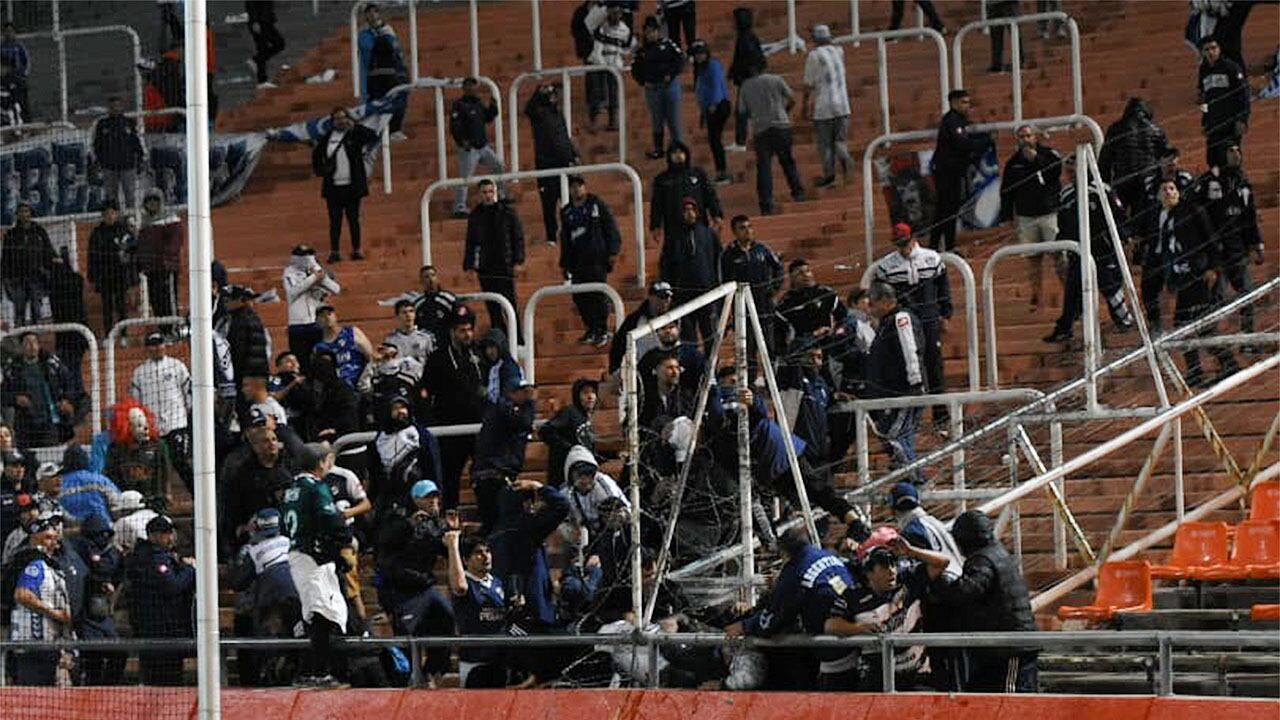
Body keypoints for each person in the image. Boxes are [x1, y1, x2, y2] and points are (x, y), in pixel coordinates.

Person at [726, 527, 858, 691]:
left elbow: (773, 618)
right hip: (852, 634)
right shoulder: (828, 556)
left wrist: (745, 626)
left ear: (784, 552)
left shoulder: (796, 571)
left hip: (834, 651)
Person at [928, 510, 1039, 692]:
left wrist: (939, 580)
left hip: (1011, 648)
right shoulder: (996, 553)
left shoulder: (983, 560)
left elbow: (965, 591)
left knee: (1010, 700)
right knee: (980, 695)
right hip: (1002, 647)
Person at [1144, 180, 1238, 386]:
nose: (1168, 192)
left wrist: (1213, 267)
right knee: (1184, 325)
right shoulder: (1161, 218)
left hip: (1200, 274)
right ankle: (1199, 370)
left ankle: (1226, 363)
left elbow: (1210, 238)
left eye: (1172, 188)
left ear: (1178, 192)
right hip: (1183, 277)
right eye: (1164, 189)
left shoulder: (1192, 210)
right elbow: (1165, 251)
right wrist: (1170, 279)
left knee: (1201, 323)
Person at [1042, 155, 1135, 343]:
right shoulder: (1066, 194)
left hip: (1103, 250)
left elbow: (1118, 217)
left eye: (1073, 169)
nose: (1070, 173)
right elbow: (1063, 225)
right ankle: (1065, 328)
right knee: (1072, 290)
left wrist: (1125, 237)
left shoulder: (1101, 189)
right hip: (1078, 251)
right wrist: (1060, 246)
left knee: (1110, 287)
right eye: (1068, 170)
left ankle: (1125, 320)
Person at [281, 442, 349, 688]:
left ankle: (315, 670)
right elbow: (330, 518)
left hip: (300, 553)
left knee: (323, 611)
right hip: (312, 556)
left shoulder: (291, 489)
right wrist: (344, 537)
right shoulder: (315, 487)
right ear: (321, 462)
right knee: (320, 613)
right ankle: (317, 672)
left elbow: (284, 525)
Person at [873, 223, 952, 433]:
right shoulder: (887, 266)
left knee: (934, 366)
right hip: (903, 321)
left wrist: (945, 314)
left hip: (928, 319)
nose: (903, 248)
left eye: (905, 243)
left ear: (913, 238)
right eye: (899, 244)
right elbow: (882, 295)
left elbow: (943, 288)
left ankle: (940, 416)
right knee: (906, 367)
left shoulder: (932, 258)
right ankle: (908, 419)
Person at [375, 479, 455, 685]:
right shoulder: (397, 518)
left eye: (435, 496)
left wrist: (453, 533)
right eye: (428, 497)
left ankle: (432, 670)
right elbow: (384, 543)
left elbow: (447, 549)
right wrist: (409, 525)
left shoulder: (437, 523)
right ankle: (407, 679)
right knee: (407, 634)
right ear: (416, 499)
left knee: (446, 617)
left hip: (424, 586)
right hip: (399, 590)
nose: (433, 501)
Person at [420, 307, 486, 509]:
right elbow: (425, 392)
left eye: (469, 329)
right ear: (452, 331)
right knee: (450, 478)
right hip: (450, 429)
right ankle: (450, 515)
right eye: (461, 330)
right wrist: (432, 422)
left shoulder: (481, 353)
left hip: (479, 427)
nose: (467, 334)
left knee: (484, 475)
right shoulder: (438, 358)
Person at [1199, 143, 1264, 338]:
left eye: (1238, 150)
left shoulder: (1243, 181)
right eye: (1231, 151)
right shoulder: (1208, 181)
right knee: (1217, 296)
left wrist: (1257, 244)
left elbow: (1250, 216)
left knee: (1247, 295)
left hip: (1238, 250)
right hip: (1217, 252)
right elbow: (1200, 214)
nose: (1236, 154)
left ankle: (1248, 339)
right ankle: (1210, 337)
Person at [864, 282, 926, 482]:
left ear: (885, 300)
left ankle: (915, 479)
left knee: (894, 435)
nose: (870, 308)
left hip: (904, 391)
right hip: (891, 393)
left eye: (872, 303)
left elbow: (910, 349)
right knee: (897, 437)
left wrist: (915, 383)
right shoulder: (885, 324)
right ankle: (910, 480)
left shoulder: (900, 319)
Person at [125, 514, 195, 685]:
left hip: (160, 628)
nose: (170, 538)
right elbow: (173, 585)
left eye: (170, 533)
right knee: (165, 680)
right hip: (160, 629)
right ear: (153, 535)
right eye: (165, 534)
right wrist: (189, 569)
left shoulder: (154, 555)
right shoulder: (152, 557)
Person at [1000, 125, 1063, 310]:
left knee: (1059, 256)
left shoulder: (1049, 155)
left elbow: (1055, 172)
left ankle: (1069, 293)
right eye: (1021, 137)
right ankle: (1036, 296)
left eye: (1028, 136)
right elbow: (1007, 192)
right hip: (1026, 217)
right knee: (1032, 259)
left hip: (1050, 213)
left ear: (1035, 137)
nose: (1025, 140)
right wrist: (1007, 216)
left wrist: (1036, 160)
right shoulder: (1013, 163)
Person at [311, 107, 379, 262]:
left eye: (343, 117)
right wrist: (321, 171)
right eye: (337, 118)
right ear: (332, 121)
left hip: (352, 186)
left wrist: (355, 127)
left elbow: (373, 136)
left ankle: (357, 249)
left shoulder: (355, 135)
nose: (340, 121)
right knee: (335, 221)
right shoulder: (327, 138)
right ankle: (335, 251)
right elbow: (316, 155)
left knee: (353, 219)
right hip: (333, 188)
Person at [560, 175, 622, 347]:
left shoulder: (596, 204)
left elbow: (610, 227)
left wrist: (612, 251)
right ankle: (591, 328)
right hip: (578, 262)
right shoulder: (566, 212)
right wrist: (565, 263)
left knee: (597, 295)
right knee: (579, 296)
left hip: (596, 259)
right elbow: (565, 239)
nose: (576, 189)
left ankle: (602, 329)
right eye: (573, 186)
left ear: (585, 187)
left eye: (579, 185)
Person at [7, 517, 69, 686]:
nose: (54, 542)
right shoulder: (34, 563)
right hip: (31, 641)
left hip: (48, 641)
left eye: (55, 538)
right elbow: (22, 595)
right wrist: (55, 613)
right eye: (48, 538)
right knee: (32, 691)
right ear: (35, 538)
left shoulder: (53, 565)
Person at [471, 379, 537, 535]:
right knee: (499, 526)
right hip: (494, 475)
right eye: (524, 392)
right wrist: (530, 404)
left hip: (491, 474)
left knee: (495, 525)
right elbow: (524, 422)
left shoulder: (500, 410)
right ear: (512, 393)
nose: (528, 396)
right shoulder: (504, 411)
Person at [738, 64, 805, 214]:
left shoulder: (745, 86)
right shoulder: (776, 79)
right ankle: (798, 192)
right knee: (787, 162)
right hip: (781, 125)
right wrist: (784, 111)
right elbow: (792, 98)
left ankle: (766, 203)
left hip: (761, 129)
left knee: (764, 168)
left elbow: (742, 111)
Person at [2, 332, 88, 447]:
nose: (32, 346)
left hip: (50, 422)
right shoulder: (13, 369)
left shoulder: (52, 364)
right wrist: (15, 399)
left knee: (51, 452)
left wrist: (66, 399)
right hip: (25, 426)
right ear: (21, 347)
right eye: (27, 342)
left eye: (34, 342)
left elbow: (70, 383)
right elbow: (3, 395)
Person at [69, 511, 126, 685]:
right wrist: (98, 581)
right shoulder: (78, 547)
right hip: (83, 612)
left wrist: (109, 586)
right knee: (92, 657)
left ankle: (109, 687)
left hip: (102, 611)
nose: (102, 538)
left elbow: (116, 574)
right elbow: (95, 570)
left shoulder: (112, 552)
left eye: (105, 534)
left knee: (119, 652)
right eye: (98, 534)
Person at [930, 90, 990, 252]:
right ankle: (940, 246)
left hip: (954, 171)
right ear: (954, 103)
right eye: (964, 102)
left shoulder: (961, 121)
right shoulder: (951, 121)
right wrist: (985, 141)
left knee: (948, 210)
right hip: (946, 172)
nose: (967, 106)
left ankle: (944, 245)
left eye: (968, 102)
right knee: (945, 209)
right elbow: (962, 144)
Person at [464, 178, 525, 337]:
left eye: (491, 192)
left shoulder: (507, 212)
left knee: (510, 304)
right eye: (484, 192)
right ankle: (500, 339)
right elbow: (471, 242)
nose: (488, 195)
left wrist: (518, 261)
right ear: (479, 194)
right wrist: (469, 266)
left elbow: (517, 237)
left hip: (505, 265)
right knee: (492, 307)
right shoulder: (475, 216)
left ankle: (518, 339)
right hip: (485, 267)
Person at [445, 530, 507, 688]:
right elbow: (459, 587)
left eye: (488, 551)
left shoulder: (497, 582)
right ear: (466, 560)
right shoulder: (465, 582)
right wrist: (453, 545)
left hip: (500, 660)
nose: (485, 556)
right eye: (478, 553)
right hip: (474, 661)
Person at [719, 214, 784, 363]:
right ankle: (750, 377)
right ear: (734, 232)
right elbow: (725, 282)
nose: (747, 231)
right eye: (742, 228)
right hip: (743, 309)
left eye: (749, 227)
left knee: (769, 348)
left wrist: (774, 288)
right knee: (748, 351)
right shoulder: (728, 255)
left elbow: (778, 268)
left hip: (765, 307)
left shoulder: (762, 249)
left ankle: (772, 376)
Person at [658, 198, 721, 352]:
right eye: (685, 210)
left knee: (710, 334)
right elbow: (666, 266)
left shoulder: (708, 234)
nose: (689, 213)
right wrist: (670, 291)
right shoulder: (673, 238)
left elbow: (718, 260)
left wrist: (717, 286)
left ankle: (712, 364)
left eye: (692, 209)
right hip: (683, 294)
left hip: (707, 292)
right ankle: (692, 364)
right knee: (688, 336)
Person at [129, 332, 192, 486]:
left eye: (160, 344)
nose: (157, 348)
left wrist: (190, 414)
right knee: (153, 467)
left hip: (176, 423)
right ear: (147, 349)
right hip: (152, 428)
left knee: (181, 462)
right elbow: (136, 401)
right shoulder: (139, 372)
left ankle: (197, 495)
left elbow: (188, 393)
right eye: (153, 345)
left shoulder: (177, 366)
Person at [524, 84, 579, 245]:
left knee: (569, 200)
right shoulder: (538, 114)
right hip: (546, 165)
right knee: (549, 203)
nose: (555, 98)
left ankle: (571, 233)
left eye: (555, 95)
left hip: (565, 163)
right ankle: (551, 237)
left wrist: (574, 155)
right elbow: (528, 109)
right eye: (551, 95)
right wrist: (537, 92)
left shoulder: (558, 114)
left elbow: (564, 137)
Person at [1097, 98, 1171, 216]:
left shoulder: (1116, 129)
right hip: (1148, 180)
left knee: (1118, 216)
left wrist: (1104, 183)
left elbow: (1105, 160)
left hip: (1123, 179)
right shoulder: (1156, 130)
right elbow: (1167, 156)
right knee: (1145, 216)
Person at [649, 141, 724, 247]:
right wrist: (655, 226)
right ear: (669, 156)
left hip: (699, 223)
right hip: (673, 226)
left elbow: (710, 195)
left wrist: (716, 214)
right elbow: (657, 204)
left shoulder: (698, 174)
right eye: (674, 153)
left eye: (681, 152)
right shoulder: (662, 179)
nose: (678, 155)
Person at [803, 25, 852, 188]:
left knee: (825, 145)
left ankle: (829, 175)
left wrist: (805, 105)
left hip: (823, 107)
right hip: (843, 105)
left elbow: (808, 84)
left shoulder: (814, 56)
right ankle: (844, 156)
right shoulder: (839, 52)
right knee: (840, 140)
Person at [450, 77, 505, 217]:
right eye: (469, 87)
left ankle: (501, 194)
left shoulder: (478, 103)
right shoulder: (459, 105)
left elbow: (488, 118)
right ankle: (459, 206)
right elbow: (454, 126)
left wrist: (493, 107)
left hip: (483, 146)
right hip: (469, 148)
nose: (472, 90)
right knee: (465, 177)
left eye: (474, 87)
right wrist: (462, 141)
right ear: (464, 88)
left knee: (498, 166)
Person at [632, 16, 685, 159]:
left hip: (669, 86)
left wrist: (671, 74)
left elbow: (680, 60)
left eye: (652, 31)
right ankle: (658, 148)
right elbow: (635, 69)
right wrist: (643, 81)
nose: (650, 35)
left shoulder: (667, 44)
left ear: (658, 31)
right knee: (657, 119)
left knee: (673, 119)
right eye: (647, 32)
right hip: (652, 88)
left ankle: (679, 148)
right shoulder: (641, 51)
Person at [282, 244, 340, 373]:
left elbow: (336, 289)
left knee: (321, 361)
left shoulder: (317, 269)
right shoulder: (290, 273)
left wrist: (321, 276)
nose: (307, 258)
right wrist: (313, 278)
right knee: (302, 363)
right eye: (303, 255)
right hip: (298, 324)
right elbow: (293, 292)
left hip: (316, 322)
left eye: (309, 255)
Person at [358, 3, 408, 140]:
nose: (373, 15)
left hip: (392, 72)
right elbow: (368, 50)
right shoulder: (364, 34)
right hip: (374, 75)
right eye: (369, 12)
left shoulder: (388, 30)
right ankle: (376, 132)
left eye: (375, 11)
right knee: (377, 103)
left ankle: (394, 129)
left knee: (398, 98)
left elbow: (395, 49)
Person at [1198, 35, 1250, 169]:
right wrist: (1205, 121)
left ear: (1219, 49)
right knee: (1212, 159)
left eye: (1213, 48)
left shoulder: (1230, 67)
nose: (1211, 52)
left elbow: (1243, 94)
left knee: (1231, 158)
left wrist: (1242, 119)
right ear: (1202, 52)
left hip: (1230, 123)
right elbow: (1204, 99)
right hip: (1213, 125)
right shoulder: (1203, 71)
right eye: (1207, 49)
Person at [86, 202, 138, 334]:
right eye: (106, 214)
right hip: (105, 276)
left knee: (122, 306)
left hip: (121, 275)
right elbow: (92, 256)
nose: (109, 216)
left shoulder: (124, 231)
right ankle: (108, 334)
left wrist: (133, 278)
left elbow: (133, 252)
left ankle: (124, 334)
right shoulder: (97, 233)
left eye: (112, 213)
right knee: (107, 307)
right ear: (102, 216)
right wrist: (92, 277)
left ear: (117, 214)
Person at [540, 380, 602, 488]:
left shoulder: (586, 418)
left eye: (593, 392)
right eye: (585, 393)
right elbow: (545, 431)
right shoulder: (570, 412)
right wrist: (569, 449)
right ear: (577, 396)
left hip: (581, 477)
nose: (590, 396)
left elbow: (586, 448)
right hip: (563, 475)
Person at [1, 202, 56, 326]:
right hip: (17, 278)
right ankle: (20, 335)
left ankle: (36, 334)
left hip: (36, 277)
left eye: (26, 211)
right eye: (21, 211)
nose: (24, 214)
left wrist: (53, 263)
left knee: (36, 309)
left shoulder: (39, 231)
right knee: (19, 311)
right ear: (17, 215)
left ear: (31, 213)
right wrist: (5, 277)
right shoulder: (11, 235)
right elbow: (5, 257)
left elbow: (48, 249)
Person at [136, 189, 185, 318]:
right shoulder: (145, 224)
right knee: (155, 302)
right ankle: (162, 327)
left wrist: (165, 259)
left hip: (166, 268)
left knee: (169, 301)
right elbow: (142, 246)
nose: (152, 204)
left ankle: (173, 326)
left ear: (161, 202)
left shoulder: (171, 220)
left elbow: (175, 243)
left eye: (155, 200)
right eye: (149, 201)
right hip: (151, 270)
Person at [777, 258, 848, 345]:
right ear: (792, 277)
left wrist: (838, 331)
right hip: (804, 346)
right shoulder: (786, 303)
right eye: (800, 273)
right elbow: (786, 338)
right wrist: (814, 335)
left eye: (808, 271)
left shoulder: (825, 293)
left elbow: (843, 317)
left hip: (830, 343)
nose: (806, 275)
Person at [585, 4, 633, 132]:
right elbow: (596, 47)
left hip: (614, 61)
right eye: (612, 13)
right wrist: (602, 64)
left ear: (621, 14)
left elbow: (625, 47)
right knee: (597, 92)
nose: (615, 16)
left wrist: (622, 59)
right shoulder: (601, 27)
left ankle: (613, 120)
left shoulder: (625, 30)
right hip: (599, 61)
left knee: (614, 91)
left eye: (617, 13)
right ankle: (594, 121)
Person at [688, 39, 731, 184]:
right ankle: (721, 171)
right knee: (714, 140)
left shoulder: (713, 66)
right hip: (709, 107)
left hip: (718, 106)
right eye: (696, 54)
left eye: (701, 53)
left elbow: (716, 85)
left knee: (715, 140)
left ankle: (722, 172)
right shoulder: (701, 68)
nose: (699, 57)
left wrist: (713, 103)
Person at [93, 96, 146, 209]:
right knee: (111, 197)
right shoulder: (102, 124)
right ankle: (115, 218)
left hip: (128, 165)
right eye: (112, 107)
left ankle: (131, 217)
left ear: (122, 107)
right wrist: (99, 161)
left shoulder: (129, 123)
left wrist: (141, 159)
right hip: (109, 167)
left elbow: (136, 142)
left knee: (130, 195)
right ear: (108, 108)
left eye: (117, 106)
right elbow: (97, 145)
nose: (115, 109)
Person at [727, 7, 765, 151]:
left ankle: (741, 141)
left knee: (742, 111)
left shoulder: (745, 38)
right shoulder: (747, 37)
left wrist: (739, 72)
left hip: (748, 79)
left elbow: (746, 59)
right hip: (749, 78)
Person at [220, 285, 272, 385]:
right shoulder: (251, 317)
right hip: (256, 373)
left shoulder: (240, 321)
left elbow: (238, 351)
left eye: (227, 300)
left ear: (240, 300)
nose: (225, 304)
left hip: (247, 375)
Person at [313, 304, 373, 390]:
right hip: (338, 389)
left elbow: (369, 355)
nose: (327, 318)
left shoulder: (352, 332)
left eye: (329, 314)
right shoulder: (320, 347)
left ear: (335, 316)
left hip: (360, 382)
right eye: (322, 316)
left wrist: (365, 378)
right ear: (317, 321)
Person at [411, 265, 460, 350]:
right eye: (426, 277)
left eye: (433, 275)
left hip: (447, 345)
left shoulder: (449, 299)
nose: (430, 279)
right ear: (421, 281)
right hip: (427, 348)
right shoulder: (418, 304)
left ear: (437, 278)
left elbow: (460, 319)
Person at [245, 1, 285, 87]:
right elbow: (250, 4)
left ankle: (257, 62)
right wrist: (255, 21)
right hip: (260, 22)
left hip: (266, 20)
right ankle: (262, 80)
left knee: (270, 47)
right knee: (269, 46)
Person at [384, 299, 435, 365]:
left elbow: (432, 362)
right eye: (404, 312)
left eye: (411, 311)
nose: (408, 315)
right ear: (397, 316)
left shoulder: (425, 338)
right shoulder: (390, 340)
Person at [986, 0, 1025, 74]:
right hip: (992, 4)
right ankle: (997, 64)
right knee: (995, 35)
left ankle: (1019, 61)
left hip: (1009, 2)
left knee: (1014, 31)